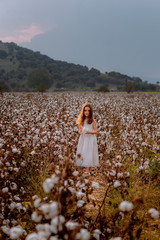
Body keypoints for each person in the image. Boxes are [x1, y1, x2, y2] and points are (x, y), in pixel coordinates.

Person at [75, 103, 99, 176]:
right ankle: (90, 169)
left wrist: (88, 132)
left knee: (89, 153)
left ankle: (87, 170)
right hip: (83, 139)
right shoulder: (81, 120)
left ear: (90, 112)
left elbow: (96, 131)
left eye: (88, 111)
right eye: (85, 110)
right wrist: (81, 132)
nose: (87, 112)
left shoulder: (92, 120)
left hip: (90, 139)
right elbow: (79, 130)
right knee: (84, 152)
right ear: (83, 111)